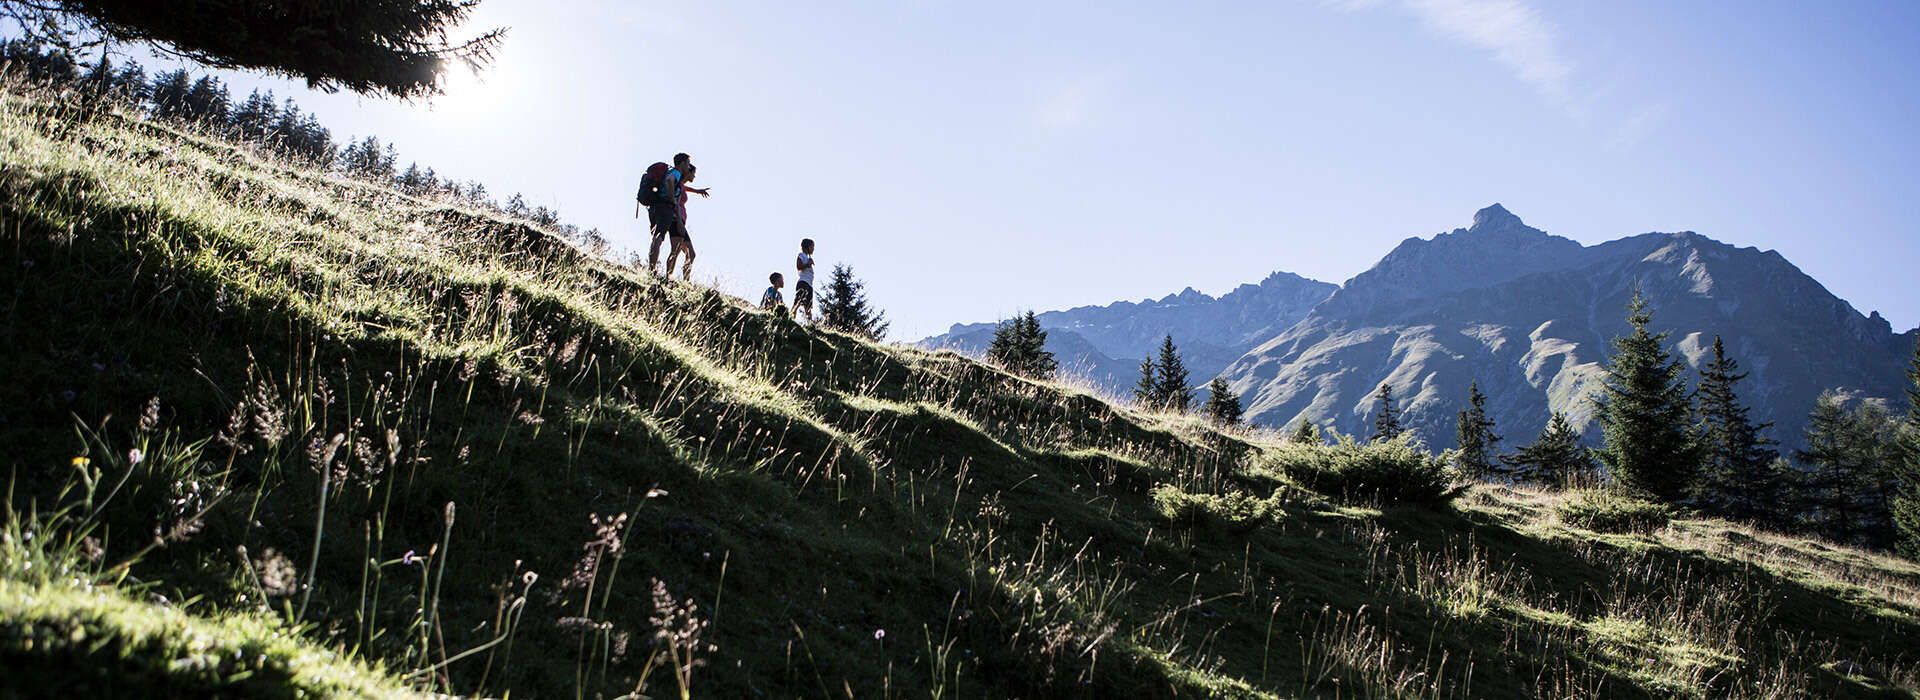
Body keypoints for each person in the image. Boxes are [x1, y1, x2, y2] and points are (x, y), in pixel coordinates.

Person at [643, 153, 708, 280]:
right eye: (688, 164)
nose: (689, 168)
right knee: (661, 239)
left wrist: (697, 191)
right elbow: (670, 181)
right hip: (669, 211)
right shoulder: (676, 173)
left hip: (664, 210)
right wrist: (673, 201)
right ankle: (655, 272)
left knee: (672, 246)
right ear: (683, 163)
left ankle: (666, 276)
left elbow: (681, 186)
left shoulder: (675, 176)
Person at [793, 238, 816, 323]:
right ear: (807, 247)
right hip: (803, 282)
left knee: (808, 306)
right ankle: (791, 318)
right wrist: (807, 264)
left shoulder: (807, 257)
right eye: (812, 247)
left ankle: (810, 324)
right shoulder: (801, 255)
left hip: (809, 284)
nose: (813, 249)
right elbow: (799, 267)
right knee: (797, 302)